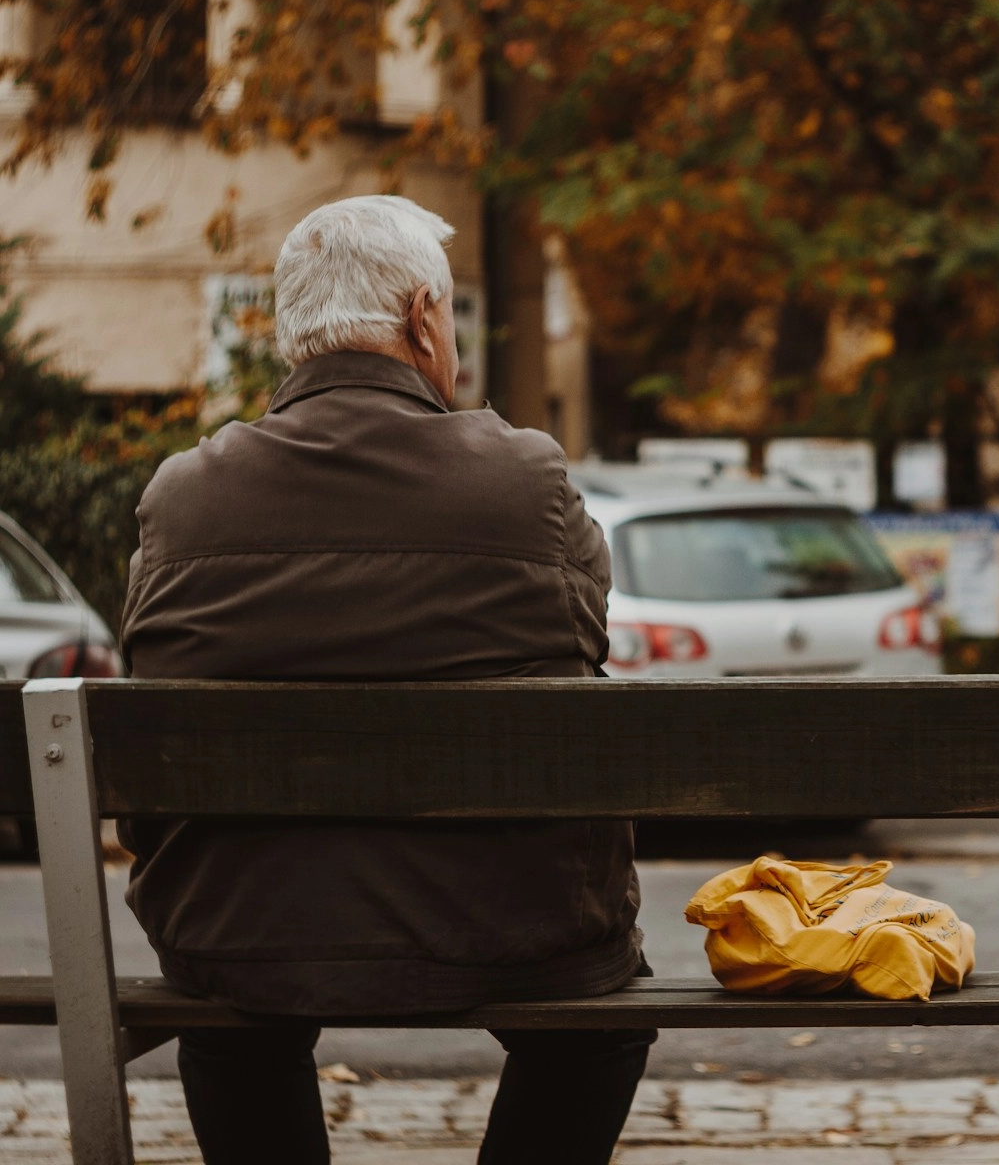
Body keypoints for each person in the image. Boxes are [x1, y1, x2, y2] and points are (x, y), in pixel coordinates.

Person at [119, 195, 651, 1165]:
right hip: (513, 922)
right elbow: (580, 646)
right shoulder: (525, 479)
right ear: (420, 317)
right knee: (598, 1022)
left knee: (227, 1010)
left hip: (243, 932)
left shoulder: (185, 495)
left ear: (290, 334)